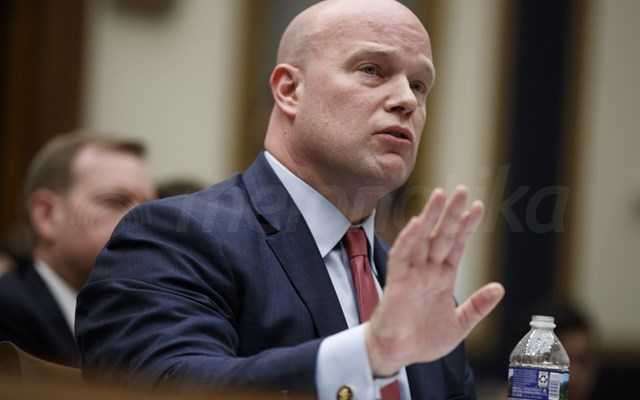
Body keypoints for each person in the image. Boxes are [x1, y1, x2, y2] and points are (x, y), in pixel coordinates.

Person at [76, 1, 505, 399]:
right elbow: (161, 385)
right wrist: (367, 353)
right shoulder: (177, 235)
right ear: (289, 90)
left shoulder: (413, 293)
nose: (407, 100)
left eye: (419, 85)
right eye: (372, 70)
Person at [0, 133, 155, 367]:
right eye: (116, 201)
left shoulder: (140, 319)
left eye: (151, 208)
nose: (146, 223)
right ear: (46, 215)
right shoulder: (7, 313)